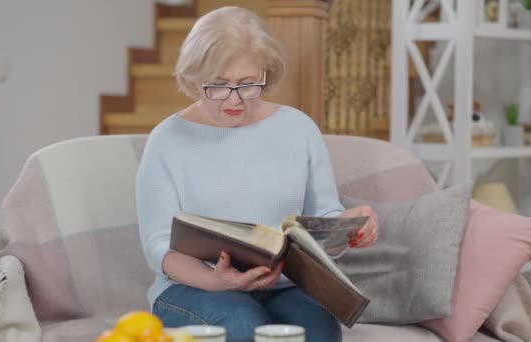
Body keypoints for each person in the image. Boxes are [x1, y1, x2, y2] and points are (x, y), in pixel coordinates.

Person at [136, 6, 378, 342]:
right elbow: (159, 247)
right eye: (218, 85)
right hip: (193, 287)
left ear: (266, 72)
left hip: (285, 286)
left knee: (318, 332)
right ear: (194, 78)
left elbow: (323, 220)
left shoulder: (298, 129)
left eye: (248, 84)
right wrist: (216, 281)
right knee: (242, 326)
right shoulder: (167, 140)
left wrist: (349, 227)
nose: (234, 100)